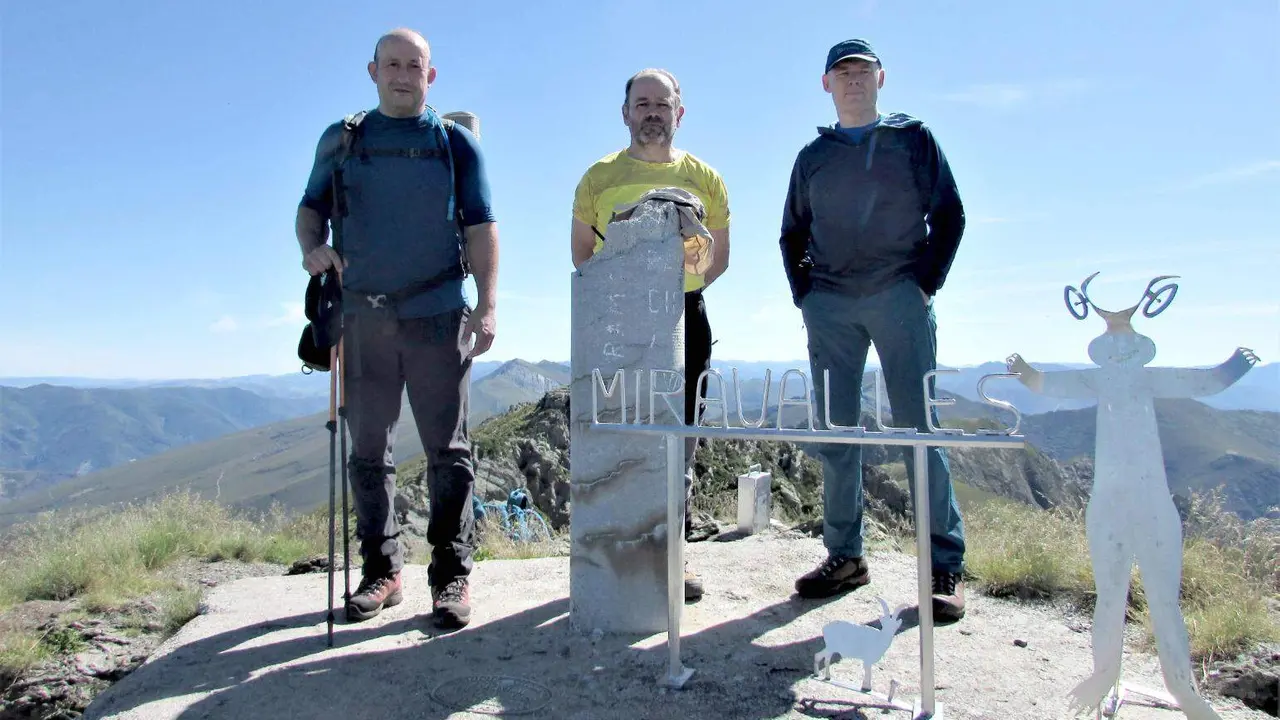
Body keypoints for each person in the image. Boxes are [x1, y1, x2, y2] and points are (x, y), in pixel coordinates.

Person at [295, 27, 499, 630]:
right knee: (367, 451)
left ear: (430, 75)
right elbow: (310, 211)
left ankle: (450, 574)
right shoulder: (342, 140)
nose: (403, 75)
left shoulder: (455, 144)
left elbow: (482, 227)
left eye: (415, 66)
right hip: (361, 317)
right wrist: (313, 250)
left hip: (438, 313)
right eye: (393, 65)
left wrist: (487, 306)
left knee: (449, 451)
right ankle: (382, 571)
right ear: (373, 71)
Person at [778, 38, 968, 621]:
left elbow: (950, 213)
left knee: (920, 428)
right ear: (826, 85)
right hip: (831, 303)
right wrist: (806, 295)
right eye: (842, 71)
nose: (853, 79)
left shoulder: (914, 140)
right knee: (836, 431)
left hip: (898, 296)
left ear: (881, 78)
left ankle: (943, 565)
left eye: (862, 70)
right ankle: (845, 557)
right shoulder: (814, 155)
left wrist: (923, 284)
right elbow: (792, 231)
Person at [570, 68, 731, 601]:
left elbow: (715, 261)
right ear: (625, 113)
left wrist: (684, 253)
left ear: (679, 113)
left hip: (683, 313)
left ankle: (671, 554)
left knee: (679, 437)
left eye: (663, 104)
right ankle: (616, 549)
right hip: (616, 316)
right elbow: (582, 255)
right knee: (621, 431)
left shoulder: (706, 178)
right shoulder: (598, 177)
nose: (653, 113)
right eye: (642, 104)